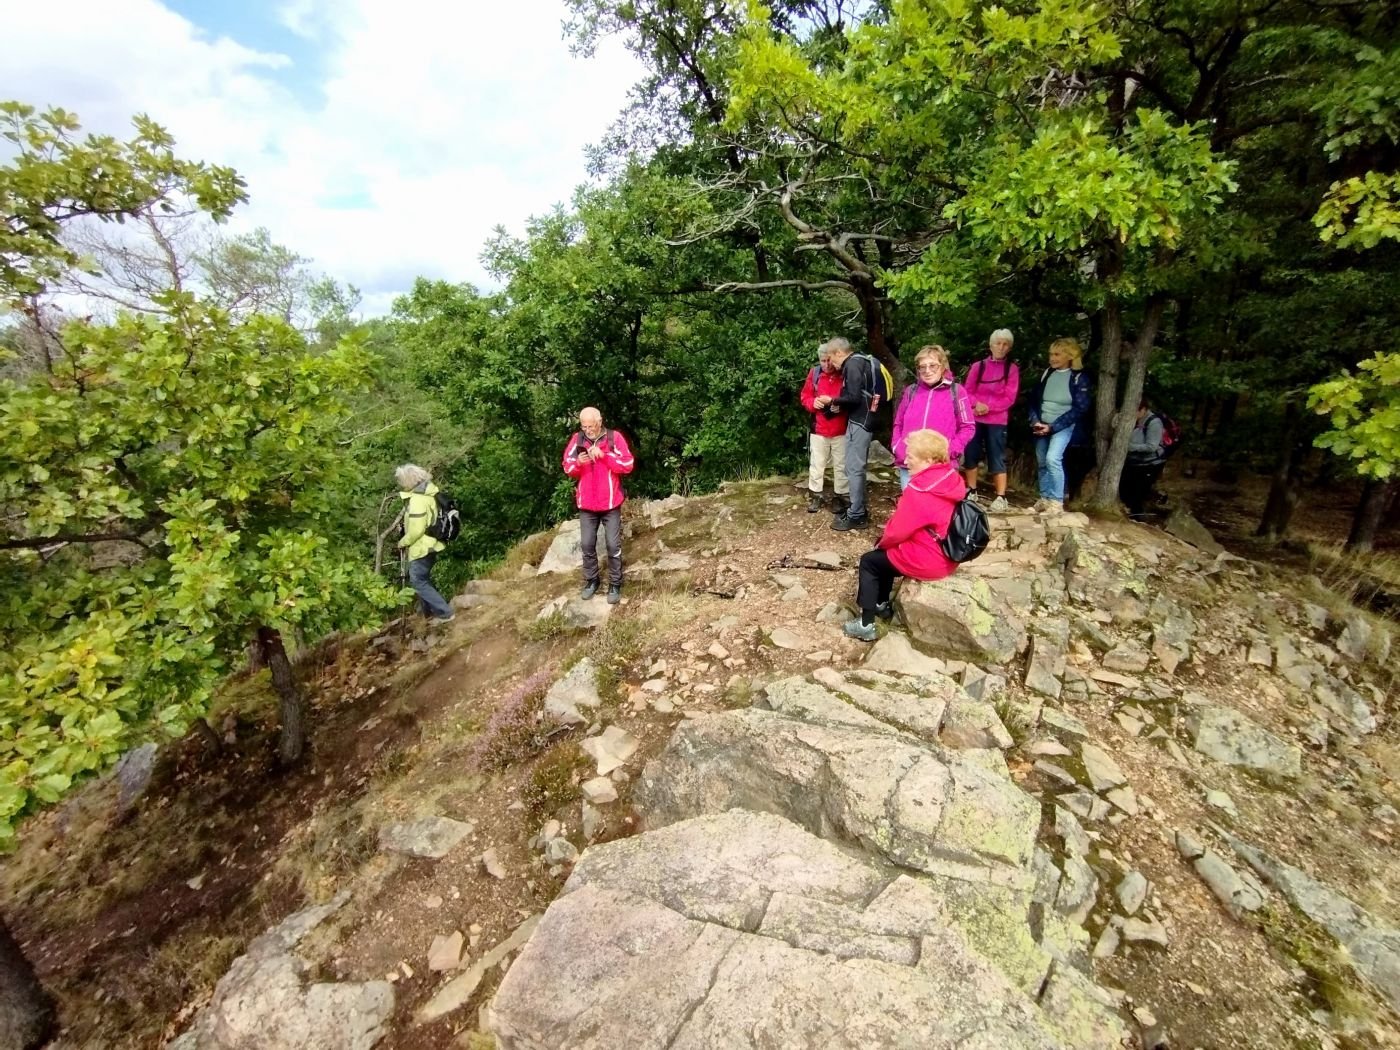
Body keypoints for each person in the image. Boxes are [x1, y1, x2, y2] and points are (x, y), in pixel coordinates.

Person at [844, 430, 966, 642]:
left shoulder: (920, 489)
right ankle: (881, 605)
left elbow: (898, 531)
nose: (905, 461)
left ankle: (866, 624)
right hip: (947, 555)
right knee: (887, 555)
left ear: (928, 460)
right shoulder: (950, 478)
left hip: (928, 560)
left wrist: (881, 542)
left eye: (911, 456)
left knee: (870, 561)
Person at [562, 407, 635, 604]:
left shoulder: (614, 438)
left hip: (610, 503)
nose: (588, 430)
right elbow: (567, 466)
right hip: (587, 504)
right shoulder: (577, 439)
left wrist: (605, 456)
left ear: (600, 422)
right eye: (584, 426)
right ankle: (592, 581)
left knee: (612, 545)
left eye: (591, 426)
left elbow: (628, 465)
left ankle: (615, 583)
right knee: (587, 545)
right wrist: (578, 463)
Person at [891, 345, 975, 491]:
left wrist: (949, 450)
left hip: (941, 465)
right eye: (922, 367)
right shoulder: (911, 391)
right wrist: (898, 447)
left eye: (932, 365)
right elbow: (898, 423)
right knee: (911, 504)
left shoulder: (956, 391)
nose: (927, 370)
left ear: (942, 366)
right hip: (910, 464)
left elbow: (968, 427)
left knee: (937, 505)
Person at [817, 337, 879, 531]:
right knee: (854, 467)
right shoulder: (862, 360)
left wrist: (832, 401)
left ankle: (857, 515)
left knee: (854, 467)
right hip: (864, 418)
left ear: (839, 353)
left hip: (861, 421)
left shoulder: (852, 364)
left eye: (832, 358)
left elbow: (853, 397)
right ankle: (857, 508)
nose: (832, 364)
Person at [1027, 337, 1093, 513]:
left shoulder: (1079, 378)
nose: (1052, 358)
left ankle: (1056, 502)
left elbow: (1081, 408)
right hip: (1041, 423)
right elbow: (1034, 399)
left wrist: (1053, 427)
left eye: (1057, 354)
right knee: (1042, 461)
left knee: (1053, 459)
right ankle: (1044, 498)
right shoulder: (1047, 373)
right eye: (1051, 354)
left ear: (1069, 356)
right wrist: (1035, 420)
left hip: (1063, 426)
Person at [961, 328, 1020, 512]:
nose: (1001, 347)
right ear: (991, 345)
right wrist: (976, 404)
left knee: (997, 455)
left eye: (1005, 344)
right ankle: (972, 490)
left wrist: (988, 407)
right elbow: (966, 391)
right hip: (975, 417)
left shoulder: (1011, 369)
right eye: (998, 343)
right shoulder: (978, 367)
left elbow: (1010, 397)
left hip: (997, 420)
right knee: (971, 453)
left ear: (1009, 348)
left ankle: (1001, 497)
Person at [395, 464, 454, 621]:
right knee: (422, 578)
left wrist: (403, 542)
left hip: (422, 547)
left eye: (402, 480)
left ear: (408, 480)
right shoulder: (429, 494)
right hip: (431, 544)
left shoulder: (417, 500)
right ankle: (428, 614)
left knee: (418, 580)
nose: (401, 484)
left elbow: (417, 530)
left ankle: (445, 613)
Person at [798, 343, 849, 514]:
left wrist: (840, 405)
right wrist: (813, 403)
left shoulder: (844, 373)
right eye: (823, 361)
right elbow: (805, 396)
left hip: (840, 427)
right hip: (819, 428)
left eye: (829, 360)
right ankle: (816, 496)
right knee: (817, 464)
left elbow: (852, 398)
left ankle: (840, 496)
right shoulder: (814, 374)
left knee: (841, 465)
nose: (827, 365)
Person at [1120, 401, 1168, 517]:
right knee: (1124, 490)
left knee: (1138, 494)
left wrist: (1129, 447)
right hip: (1134, 462)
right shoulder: (1132, 420)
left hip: (1150, 464)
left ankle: (1137, 518)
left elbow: (1151, 446)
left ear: (1143, 409)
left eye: (1135, 411)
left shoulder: (1154, 423)